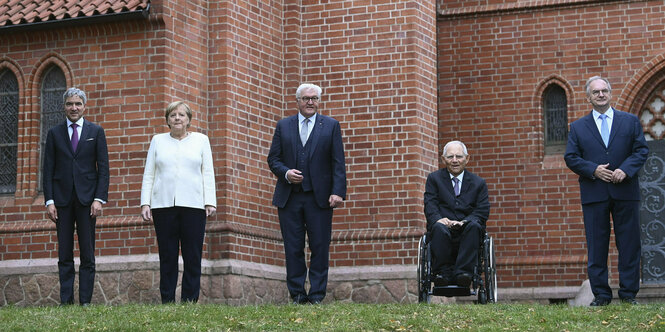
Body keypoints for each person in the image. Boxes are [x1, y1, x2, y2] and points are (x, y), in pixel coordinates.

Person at [564, 76, 649, 306]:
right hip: (595, 193)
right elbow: (570, 157)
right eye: (596, 92)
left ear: (610, 93)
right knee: (597, 246)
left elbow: (641, 150)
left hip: (625, 192)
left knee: (629, 244)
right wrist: (593, 170)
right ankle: (601, 295)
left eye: (604, 91)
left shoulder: (630, 122)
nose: (600, 95)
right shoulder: (578, 127)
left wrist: (626, 170)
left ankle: (629, 294)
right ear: (588, 97)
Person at [267, 83, 347, 304]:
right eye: (305, 98)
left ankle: (317, 295)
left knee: (320, 247)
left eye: (314, 98)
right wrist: (285, 173)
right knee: (293, 248)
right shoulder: (284, 126)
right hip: (289, 198)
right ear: (298, 101)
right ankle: (298, 294)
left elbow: (337, 162)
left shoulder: (331, 126)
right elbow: (273, 159)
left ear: (319, 101)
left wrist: (338, 192)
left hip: (319, 198)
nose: (310, 102)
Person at [140, 101, 217, 303]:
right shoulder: (158, 141)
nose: (177, 118)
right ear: (167, 119)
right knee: (168, 255)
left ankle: (189, 300)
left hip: (194, 205)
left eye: (181, 115)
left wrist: (210, 201)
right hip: (163, 205)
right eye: (173, 115)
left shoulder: (201, 140)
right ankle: (167, 299)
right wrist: (145, 203)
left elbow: (207, 172)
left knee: (192, 255)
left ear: (188, 119)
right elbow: (149, 173)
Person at [43, 87, 110, 306]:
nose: (74, 108)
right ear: (64, 106)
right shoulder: (54, 134)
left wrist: (99, 199)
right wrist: (49, 201)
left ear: (84, 106)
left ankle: (85, 302)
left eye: (78, 104)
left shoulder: (96, 131)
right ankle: (66, 301)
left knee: (88, 254)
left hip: (87, 201)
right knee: (64, 253)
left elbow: (104, 169)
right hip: (61, 201)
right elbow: (48, 169)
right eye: (70, 104)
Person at [424, 141, 490, 287]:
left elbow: (482, 210)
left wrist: (464, 222)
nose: (454, 160)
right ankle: (442, 274)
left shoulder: (479, 183)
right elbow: (430, 204)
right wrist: (439, 219)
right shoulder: (434, 179)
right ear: (443, 159)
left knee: (474, 226)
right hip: (443, 229)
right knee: (437, 228)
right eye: (450, 156)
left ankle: (464, 274)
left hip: (468, 230)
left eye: (458, 156)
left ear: (467, 159)